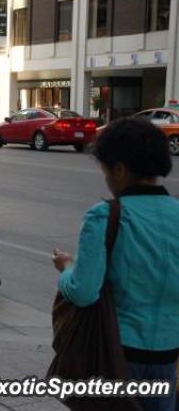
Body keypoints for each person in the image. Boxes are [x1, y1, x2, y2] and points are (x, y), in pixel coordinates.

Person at [52, 118, 177, 411]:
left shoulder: (105, 216)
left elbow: (84, 291)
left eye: (106, 170)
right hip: (169, 355)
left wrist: (66, 268)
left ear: (119, 170)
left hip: (117, 356)